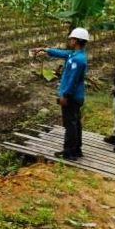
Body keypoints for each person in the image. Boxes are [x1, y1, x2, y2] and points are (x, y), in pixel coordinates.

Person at [32, 27, 89, 161]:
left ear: (77, 41)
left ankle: (69, 151)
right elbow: (61, 53)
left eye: (71, 39)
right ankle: (76, 149)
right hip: (76, 96)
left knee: (70, 124)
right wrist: (45, 49)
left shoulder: (77, 60)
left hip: (72, 97)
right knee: (75, 123)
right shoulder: (75, 55)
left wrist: (65, 95)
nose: (69, 41)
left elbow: (72, 80)